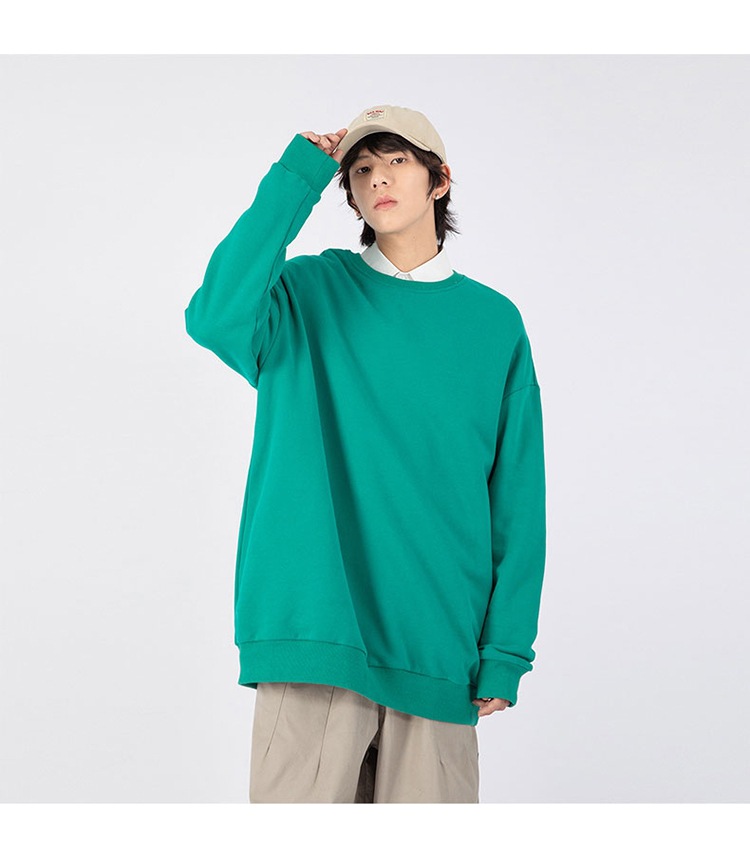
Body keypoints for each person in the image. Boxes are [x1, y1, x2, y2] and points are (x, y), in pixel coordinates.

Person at [184, 104, 547, 803]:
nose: (378, 178)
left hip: (438, 647)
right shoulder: (306, 295)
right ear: (347, 193)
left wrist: (505, 650)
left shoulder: (494, 323)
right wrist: (298, 176)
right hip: (316, 635)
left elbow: (517, 498)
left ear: (440, 180)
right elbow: (214, 314)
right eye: (360, 169)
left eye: (397, 161)